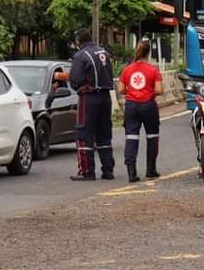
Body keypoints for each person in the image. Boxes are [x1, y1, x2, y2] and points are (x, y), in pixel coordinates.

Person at [68, 29, 116, 181]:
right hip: (106, 97)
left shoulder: (80, 56)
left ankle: (87, 171)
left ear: (78, 42)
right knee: (104, 134)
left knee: (83, 133)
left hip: (89, 98)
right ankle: (108, 170)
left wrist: (78, 86)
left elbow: (75, 79)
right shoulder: (104, 53)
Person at [117, 40, 163, 183]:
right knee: (152, 137)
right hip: (148, 106)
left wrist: (132, 91)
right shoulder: (153, 70)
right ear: (149, 53)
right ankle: (151, 170)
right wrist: (147, 90)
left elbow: (120, 89)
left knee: (131, 138)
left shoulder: (127, 69)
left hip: (131, 106)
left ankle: (131, 172)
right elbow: (159, 90)